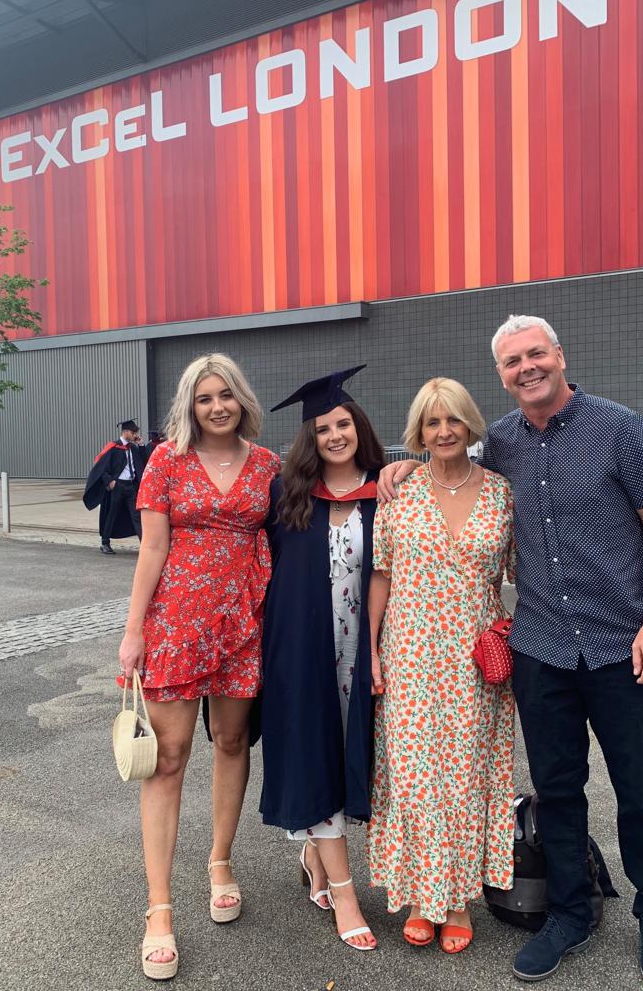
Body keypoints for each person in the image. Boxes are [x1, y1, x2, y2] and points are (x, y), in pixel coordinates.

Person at [379, 316, 643, 989]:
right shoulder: (502, 446)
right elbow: (446, 465)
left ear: (559, 355)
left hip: (618, 646)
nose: (527, 367)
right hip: (541, 649)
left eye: (535, 353)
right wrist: (401, 466)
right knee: (558, 791)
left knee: (638, 789)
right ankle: (568, 914)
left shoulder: (620, 427)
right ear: (503, 374)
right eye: (513, 360)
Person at [117, 353, 281, 980]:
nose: (217, 406)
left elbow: (326, 494)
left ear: (242, 399)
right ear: (190, 404)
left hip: (246, 621)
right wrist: (134, 632)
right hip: (178, 622)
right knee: (169, 756)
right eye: (205, 397)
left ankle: (220, 861)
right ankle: (159, 909)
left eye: (226, 395)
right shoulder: (165, 461)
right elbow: (153, 546)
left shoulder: (267, 463)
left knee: (234, 739)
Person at [367, 377, 516, 954]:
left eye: (453, 419)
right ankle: (417, 892)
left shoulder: (503, 492)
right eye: (432, 422)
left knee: (467, 774)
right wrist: (374, 650)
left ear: (470, 424)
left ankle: (455, 898)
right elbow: (381, 573)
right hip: (408, 650)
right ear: (418, 432)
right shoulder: (398, 493)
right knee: (413, 775)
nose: (444, 431)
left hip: (476, 656)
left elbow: (526, 574)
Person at [260, 366, 384, 952]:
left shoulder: (389, 489)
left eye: (343, 423)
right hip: (302, 651)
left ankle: (315, 853)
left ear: (358, 425)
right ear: (309, 438)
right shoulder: (284, 494)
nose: (335, 434)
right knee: (316, 755)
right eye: (323, 427)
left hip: (369, 653)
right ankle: (345, 892)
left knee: (357, 755)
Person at [83, 419, 146, 554]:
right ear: (126, 432)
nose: (136, 434)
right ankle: (105, 543)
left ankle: (145, 546)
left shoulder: (133, 448)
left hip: (131, 487)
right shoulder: (113, 447)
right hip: (117, 487)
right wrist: (110, 482)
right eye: (134, 432)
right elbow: (101, 468)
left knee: (136, 516)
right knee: (112, 514)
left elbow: (144, 463)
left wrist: (141, 445)